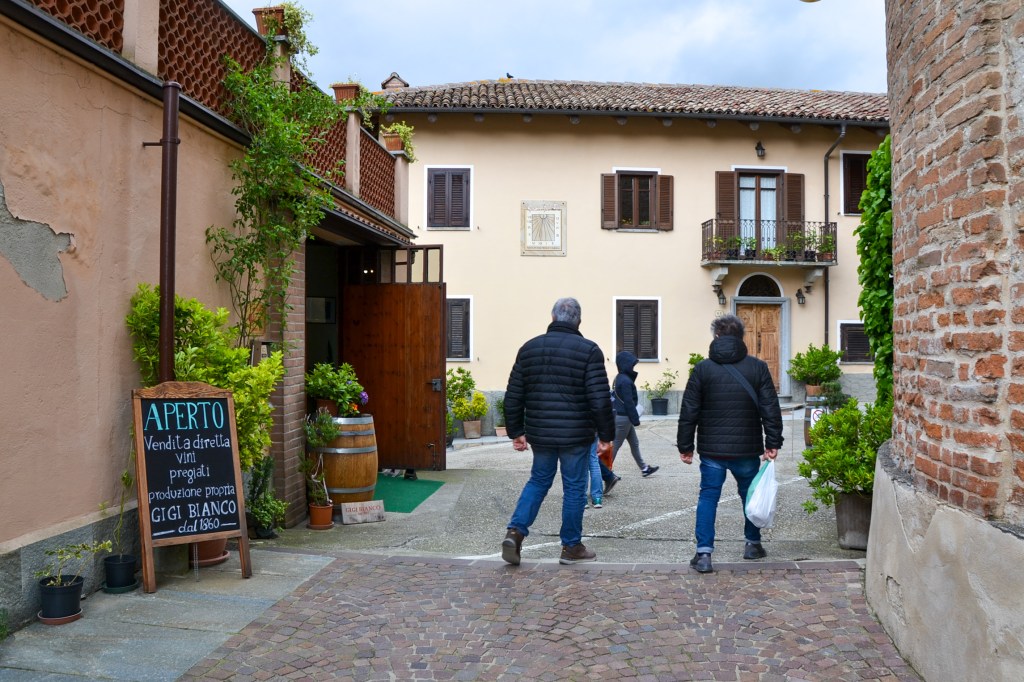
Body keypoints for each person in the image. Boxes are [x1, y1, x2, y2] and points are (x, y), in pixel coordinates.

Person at [502, 297, 615, 565]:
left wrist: (516, 430)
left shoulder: (529, 349)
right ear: (579, 321)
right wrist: (606, 436)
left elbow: (513, 395)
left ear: (552, 318)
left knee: (539, 481)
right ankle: (571, 547)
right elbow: (599, 398)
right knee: (575, 488)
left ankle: (515, 533)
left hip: (540, 432)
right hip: (576, 435)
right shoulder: (589, 351)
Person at [676, 314, 783, 574]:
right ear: (741, 337)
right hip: (746, 448)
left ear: (716, 337)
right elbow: (771, 407)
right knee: (749, 494)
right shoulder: (757, 367)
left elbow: (689, 410)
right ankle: (752, 544)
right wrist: (773, 441)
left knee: (708, 496)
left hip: (712, 449)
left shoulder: (702, 368)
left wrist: (685, 445)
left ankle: (703, 554)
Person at [610, 351, 659, 480]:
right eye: (632, 364)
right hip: (624, 418)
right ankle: (606, 472)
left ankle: (644, 468)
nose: (633, 367)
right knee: (615, 446)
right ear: (625, 364)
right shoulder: (625, 380)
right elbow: (629, 402)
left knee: (634, 443)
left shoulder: (619, 377)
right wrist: (635, 419)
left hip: (623, 417)